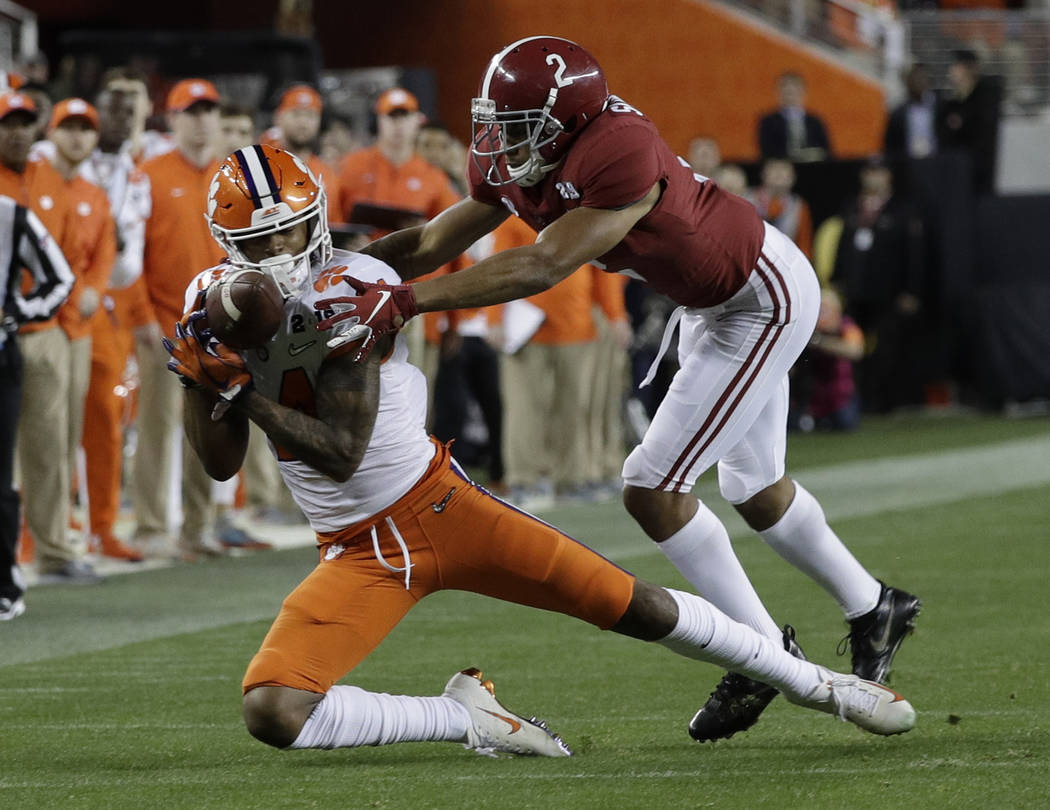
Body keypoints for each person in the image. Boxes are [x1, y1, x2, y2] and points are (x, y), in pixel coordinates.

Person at [164, 143, 915, 756]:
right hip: (357, 550)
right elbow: (220, 462)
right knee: (273, 711)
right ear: (230, 246)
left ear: (315, 221)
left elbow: (342, 453)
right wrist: (204, 384)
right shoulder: (215, 305)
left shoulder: (352, 286)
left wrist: (245, 394)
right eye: (262, 242)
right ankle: (464, 718)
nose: (282, 252)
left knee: (635, 608)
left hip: (442, 508)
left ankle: (814, 683)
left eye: (291, 231)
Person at [317, 36, 922, 742]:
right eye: (497, 122)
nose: (501, 141)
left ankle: (759, 656)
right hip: (712, 301)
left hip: (760, 296)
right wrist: (351, 269)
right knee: (754, 485)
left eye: (520, 127)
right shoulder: (519, 146)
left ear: (570, 122)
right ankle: (873, 605)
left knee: (652, 487)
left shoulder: (619, 147)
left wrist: (405, 303)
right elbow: (435, 237)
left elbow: (545, 263)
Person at [0, 91, 103, 584]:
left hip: (41, 334)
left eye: (24, 122)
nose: (16, 131)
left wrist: (61, 320)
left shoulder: (50, 182)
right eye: (6, 123)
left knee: (48, 447)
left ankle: (54, 551)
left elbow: (70, 259)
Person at [133, 78, 225, 560]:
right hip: (164, 323)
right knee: (157, 427)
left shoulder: (227, 178)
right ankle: (149, 525)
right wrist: (142, 315)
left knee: (209, 428)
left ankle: (198, 526)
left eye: (208, 110)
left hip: (215, 328)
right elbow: (128, 254)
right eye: (192, 111)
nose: (202, 120)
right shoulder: (147, 174)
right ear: (172, 119)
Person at [78, 81, 154, 561]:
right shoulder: (53, 159)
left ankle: (101, 524)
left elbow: (132, 259)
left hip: (111, 303)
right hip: (62, 301)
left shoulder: (136, 174)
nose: (121, 119)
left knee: (108, 416)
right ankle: (42, 523)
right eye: (113, 108)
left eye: (130, 111)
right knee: (46, 418)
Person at [0, 195, 75, 619]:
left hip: (1, 357)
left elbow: (61, 278)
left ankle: (4, 583)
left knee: (0, 476)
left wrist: (15, 311)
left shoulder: (11, 215)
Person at [936, 49, 1001, 195]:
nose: (951, 71)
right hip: (955, 169)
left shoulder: (986, 96)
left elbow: (980, 131)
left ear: (968, 69)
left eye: (955, 66)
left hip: (979, 170)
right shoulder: (949, 102)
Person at [757, 72, 831, 162]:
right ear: (778, 93)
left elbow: (827, 151)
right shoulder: (768, 122)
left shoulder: (815, 122)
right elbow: (766, 152)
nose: (790, 96)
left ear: (803, 92)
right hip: (782, 170)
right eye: (786, 91)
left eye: (794, 91)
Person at [749, 157, 814, 259]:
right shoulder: (746, 199)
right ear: (763, 174)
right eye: (774, 168)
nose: (779, 173)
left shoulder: (798, 206)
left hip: (785, 262)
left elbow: (804, 247)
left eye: (784, 169)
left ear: (793, 177)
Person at [883, 63, 937, 160]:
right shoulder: (897, 114)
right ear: (907, 83)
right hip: (908, 164)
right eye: (914, 78)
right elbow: (890, 144)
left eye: (922, 78)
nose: (918, 82)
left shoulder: (939, 108)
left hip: (935, 162)